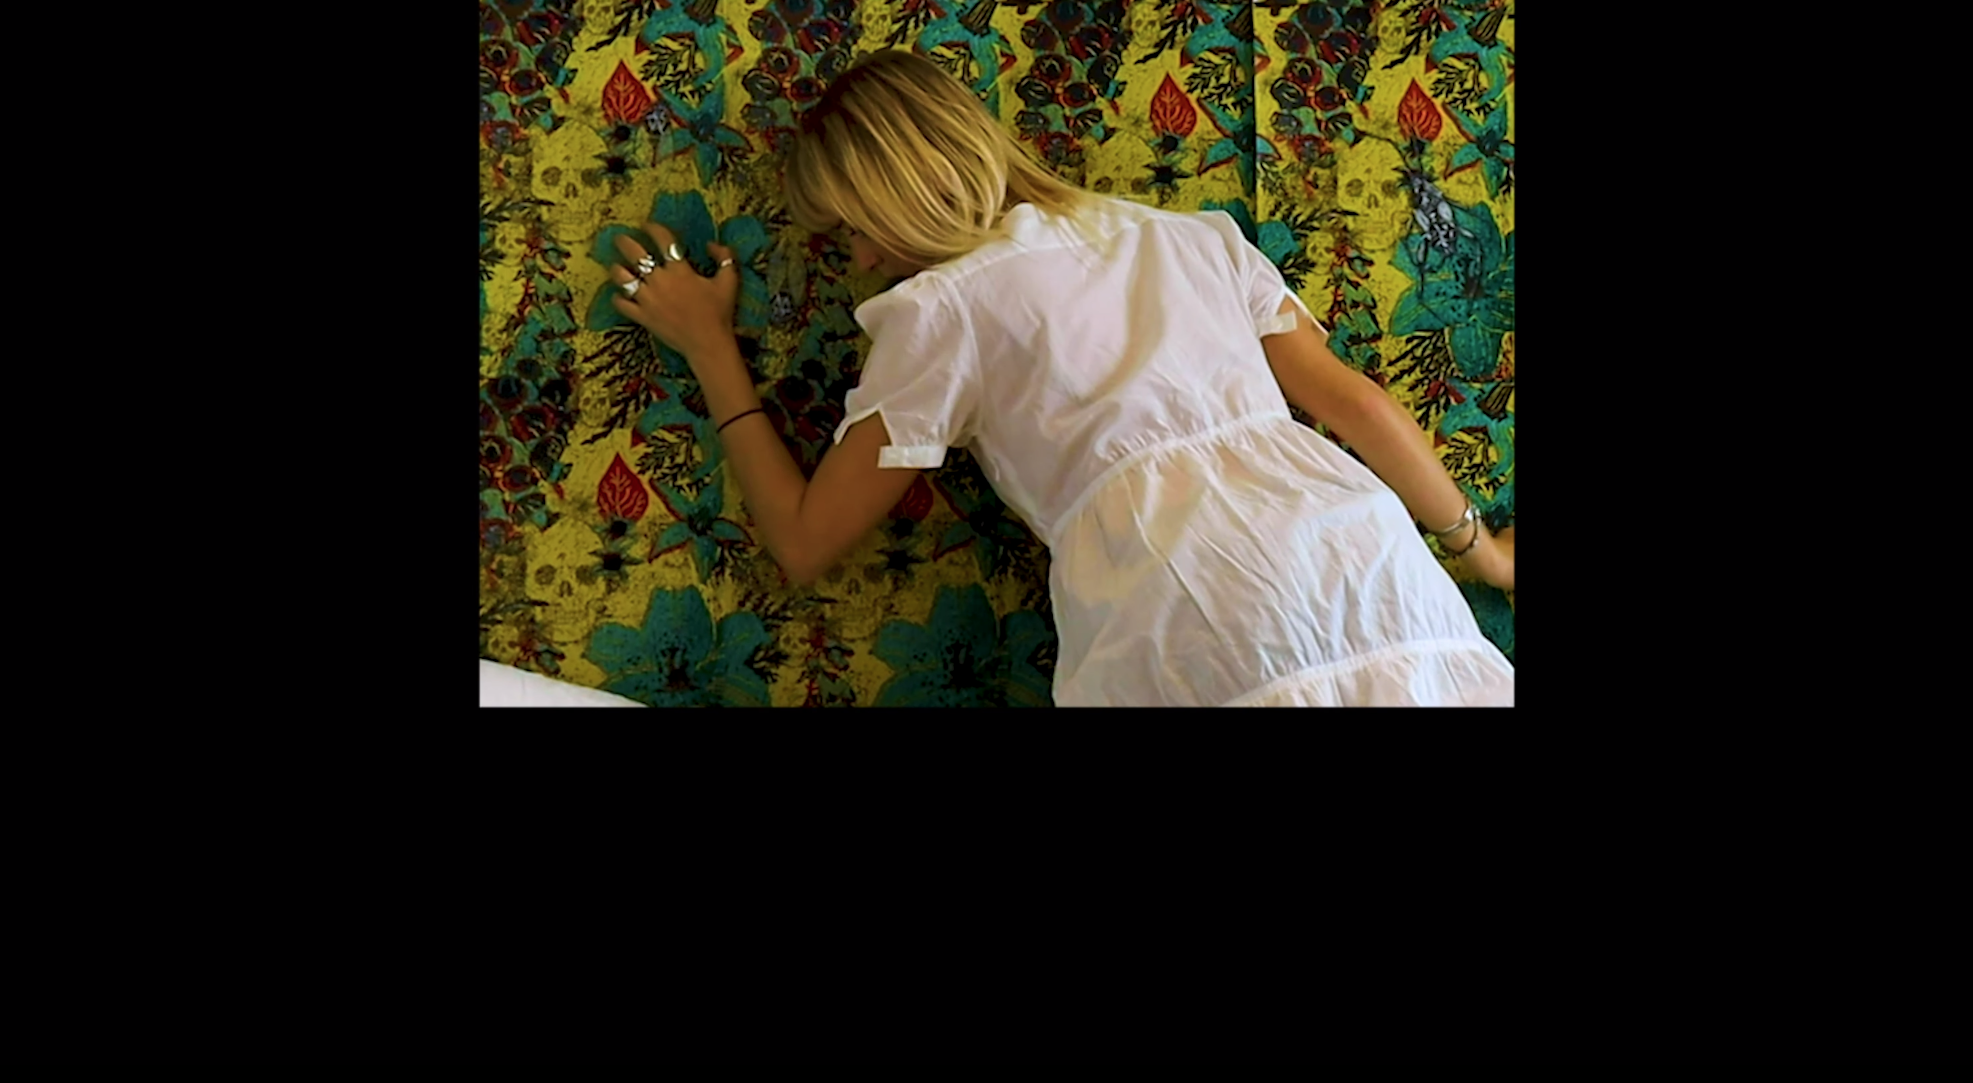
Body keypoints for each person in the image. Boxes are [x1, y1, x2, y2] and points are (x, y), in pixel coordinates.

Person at [603, 49, 1514, 706]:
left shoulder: (942, 310)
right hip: (1362, 561)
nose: (861, 261)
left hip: (1187, 600)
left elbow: (805, 542)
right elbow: (1353, 403)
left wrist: (711, 348)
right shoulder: (1190, 238)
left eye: (849, 229)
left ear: (900, 189)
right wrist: (1483, 551)